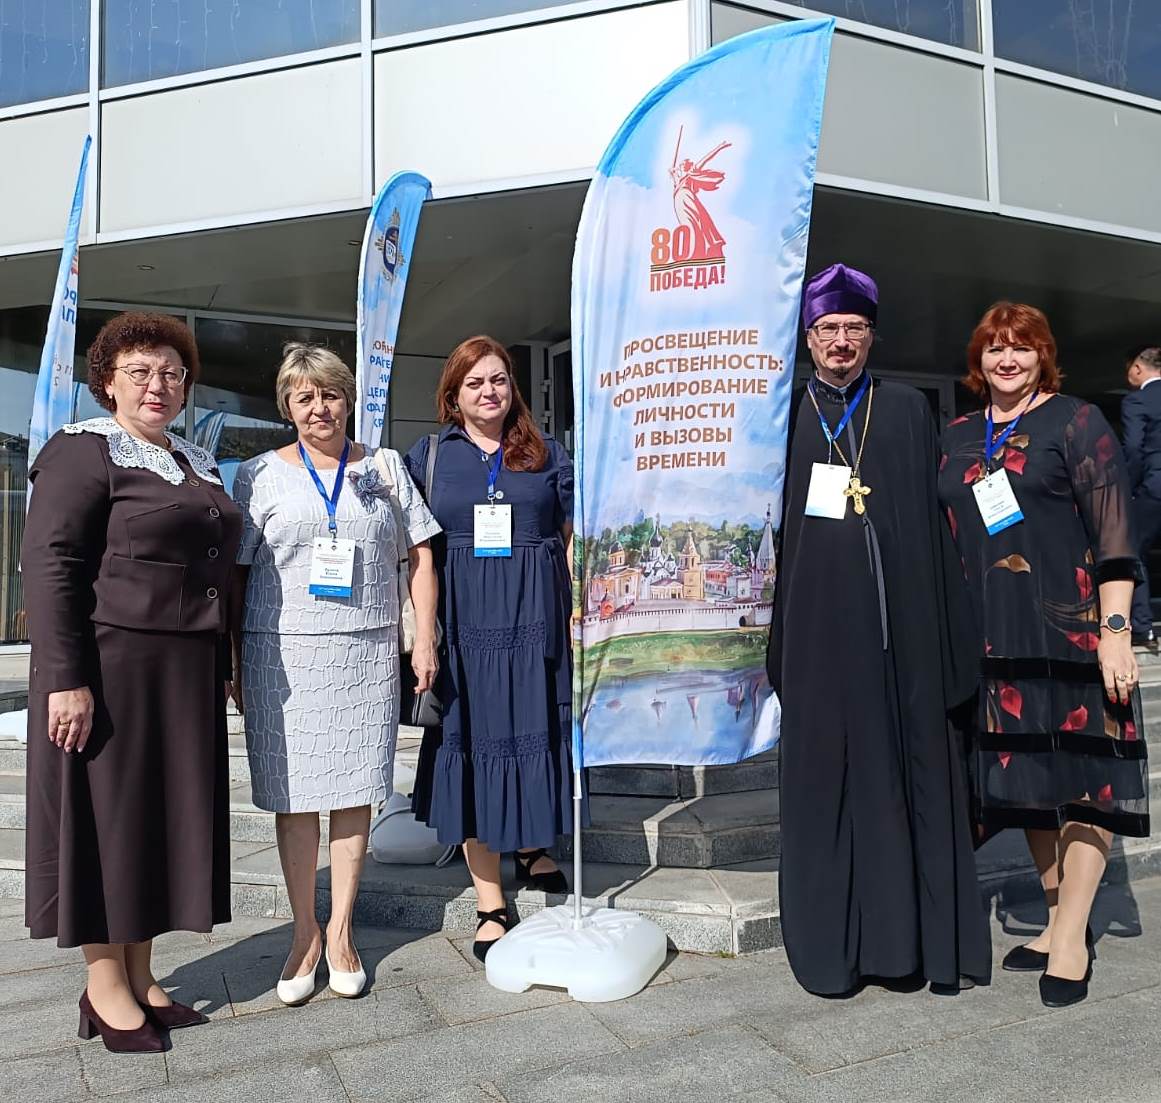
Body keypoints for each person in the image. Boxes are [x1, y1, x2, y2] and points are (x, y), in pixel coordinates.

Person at [767, 263, 991, 997]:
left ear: (871, 336)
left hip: (899, 635)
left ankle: (901, 946)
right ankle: (831, 949)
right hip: (814, 632)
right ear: (808, 338)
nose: (841, 341)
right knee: (825, 781)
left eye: (854, 329)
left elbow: (933, 522)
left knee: (897, 777)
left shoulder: (902, 409)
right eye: (828, 328)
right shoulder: (782, 416)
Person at [22, 312, 241, 1052]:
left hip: (184, 671)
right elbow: (50, 563)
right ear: (107, 381)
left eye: (173, 373)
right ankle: (104, 983)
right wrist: (65, 679)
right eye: (140, 371)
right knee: (110, 820)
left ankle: (143, 974)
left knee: (158, 820)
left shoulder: (194, 460)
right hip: (111, 668)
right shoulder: (82, 449)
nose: (159, 385)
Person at [939, 302, 1150, 1008]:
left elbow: (1114, 534)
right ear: (978, 359)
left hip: (1071, 632)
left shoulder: (1075, 421)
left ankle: (1068, 939)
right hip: (990, 638)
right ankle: (1063, 915)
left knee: (1085, 781)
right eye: (995, 347)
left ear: (1042, 357)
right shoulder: (958, 434)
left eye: (1022, 348)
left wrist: (1115, 631)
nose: (1007, 359)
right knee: (1026, 780)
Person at [230, 344, 440, 1005]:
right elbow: (236, 572)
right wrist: (231, 658)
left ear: (348, 398)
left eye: (329, 394)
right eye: (304, 397)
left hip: (364, 650)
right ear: (286, 406)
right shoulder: (258, 474)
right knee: (294, 799)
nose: (318, 407)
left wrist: (423, 637)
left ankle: (343, 931)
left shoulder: (384, 466)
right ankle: (304, 933)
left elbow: (420, 554)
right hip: (280, 653)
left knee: (354, 793)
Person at [405, 335, 583, 962]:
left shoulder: (548, 452)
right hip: (466, 626)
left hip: (536, 621)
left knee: (534, 733)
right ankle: (490, 902)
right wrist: (423, 636)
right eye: (475, 383)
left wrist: (579, 613)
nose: (489, 392)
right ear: (452, 395)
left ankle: (532, 845)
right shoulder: (429, 456)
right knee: (475, 744)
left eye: (499, 380)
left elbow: (571, 536)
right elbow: (419, 554)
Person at [1121, 347, 1161, 645]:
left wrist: (1129, 487)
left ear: (1137, 368)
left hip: (1154, 486)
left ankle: (1143, 625)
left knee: (1132, 549)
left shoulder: (1137, 401)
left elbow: (1134, 448)